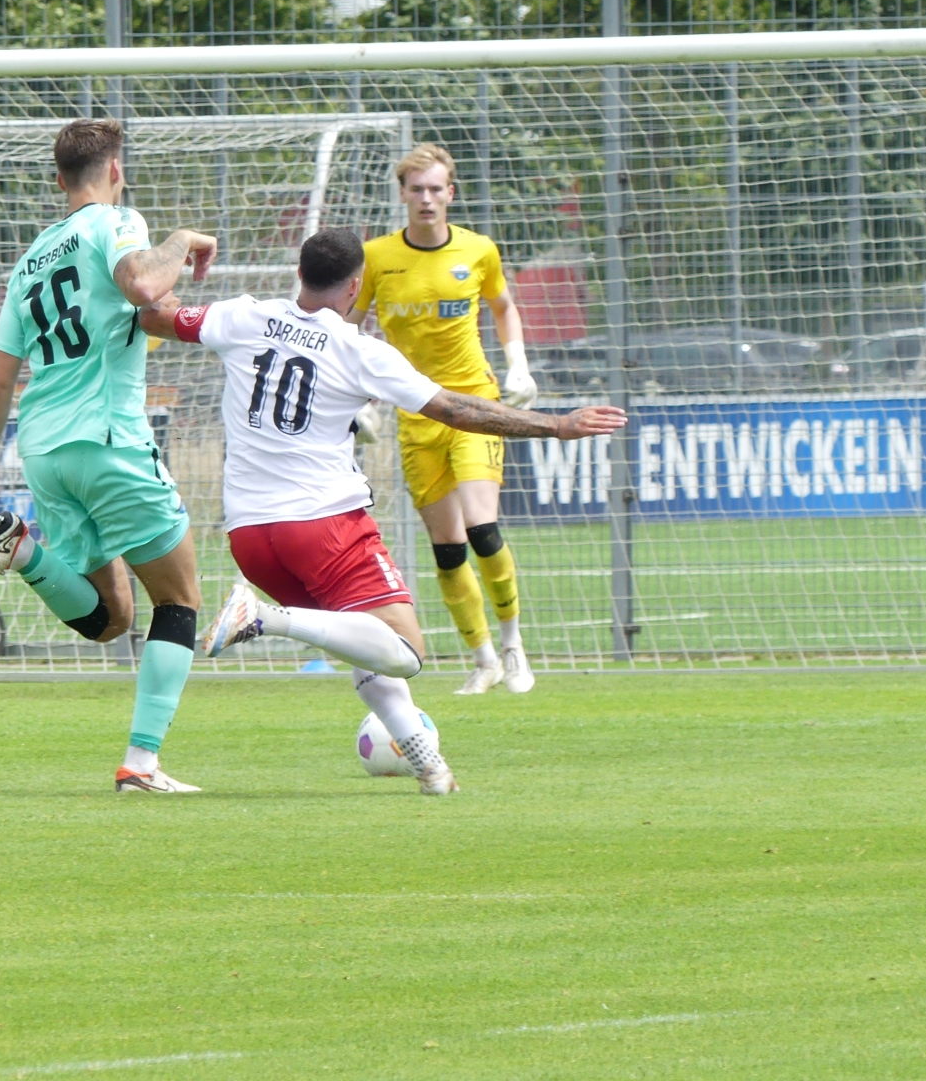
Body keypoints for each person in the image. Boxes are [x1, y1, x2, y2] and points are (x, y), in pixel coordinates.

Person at [141, 226, 625, 794]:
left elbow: (154, 314)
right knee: (404, 650)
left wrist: (167, 255)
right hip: (323, 525)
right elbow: (455, 410)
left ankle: (428, 765)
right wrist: (557, 425)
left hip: (250, 536)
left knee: (360, 638)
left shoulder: (242, 316)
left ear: (299, 273)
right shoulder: (358, 350)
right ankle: (264, 619)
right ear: (356, 286)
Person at [0, 117, 218, 794]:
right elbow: (144, 286)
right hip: (108, 440)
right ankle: (142, 764)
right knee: (179, 599)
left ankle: (20, 550)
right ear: (115, 171)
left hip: (43, 451)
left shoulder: (29, 263)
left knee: (109, 619)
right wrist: (182, 240)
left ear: (58, 178)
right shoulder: (116, 221)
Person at [347, 143, 541, 696]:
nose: (427, 198)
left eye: (436, 189)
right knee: (449, 547)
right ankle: (484, 660)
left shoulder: (479, 250)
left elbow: (503, 307)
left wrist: (518, 365)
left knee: (482, 528)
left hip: (474, 404)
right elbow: (348, 328)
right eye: (417, 189)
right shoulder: (377, 257)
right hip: (416, 413)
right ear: (403, 195)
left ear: (450, 193)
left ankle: (514, 645)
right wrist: (360, 399)